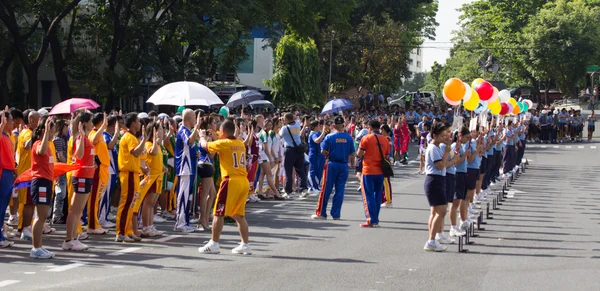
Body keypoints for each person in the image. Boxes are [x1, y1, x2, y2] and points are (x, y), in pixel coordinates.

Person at [198, 119, 252, 255]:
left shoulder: (223, 143)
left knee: (218, 212)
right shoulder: (239, 143)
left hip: (230, 180)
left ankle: (214, 243)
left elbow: (205, 145)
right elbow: (226, 145)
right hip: (243, 181)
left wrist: (202, 136)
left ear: (222, 132)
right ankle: (245, 244)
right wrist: (216, 137)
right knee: (239, 215)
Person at [311, 116, 355, 220]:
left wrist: (328, 153)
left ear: (334, 125)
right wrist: (352, 164)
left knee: (326, 189)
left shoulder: (329, 137)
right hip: (343, 165)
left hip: (332, 164)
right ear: (343, 125)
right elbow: (352, 153)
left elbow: (323, 151)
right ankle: (336, 214)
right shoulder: (349, 137)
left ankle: (321, 212)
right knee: (340, 190)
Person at [63, 112, 95, 251]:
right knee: (75, 209)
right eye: (91, 121)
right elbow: (79, 155)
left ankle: (74, 238)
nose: (93, 123)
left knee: (79, 209)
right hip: (81, 175)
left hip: (87, 175)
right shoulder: (78, 138)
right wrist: (81, 136)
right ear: (84, 123)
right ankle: (69, 240)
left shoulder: (86, 138)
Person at [115, 113, 146, 243]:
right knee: (126, 203)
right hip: (128, 174)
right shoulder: (129, 137)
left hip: (132, 173)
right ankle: (121, 232)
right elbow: (136, 152)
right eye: (138, 121)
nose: (139, 124)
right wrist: (144, 140)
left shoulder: (131, 136)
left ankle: (128, 230)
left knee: (131, 203)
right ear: (133, 123)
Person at [29, 116, 56, 258]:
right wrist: (46, 132)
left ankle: (39, 246)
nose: (53, 133)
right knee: (40, 217)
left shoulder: (48, 144)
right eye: (52, 130)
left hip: (46, 182)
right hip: (40, 182)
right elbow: (41, 151)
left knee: (43, 216)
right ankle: (35, 248)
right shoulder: (38, 143)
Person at [357, 120, 390, 228]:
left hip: (368, 170)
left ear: (370, 127)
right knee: (377, 195)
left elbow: (359, 154)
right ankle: (375, 218)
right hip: (380, 171)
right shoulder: (385, 140)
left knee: (368, 195)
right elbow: (386, 155)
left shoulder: (366, 138)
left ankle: (371, 219)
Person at [423, 122, 451, 252]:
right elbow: (441, 165)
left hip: (437, 179)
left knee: (435, 212)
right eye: (442, 135)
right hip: (435, 179)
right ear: (434, 135)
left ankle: (433, 238)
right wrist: (446, 153)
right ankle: (431, 240)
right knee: (441, 211)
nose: (444, 137)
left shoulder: (437, 146)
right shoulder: (433, 148)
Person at [174, 109, 202, 233]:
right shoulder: (183, 130)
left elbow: (189, 146)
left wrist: (194, 153)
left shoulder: (188, 131)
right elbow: (189, 141)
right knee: (183, 195)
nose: (195, 119)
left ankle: (185, 221)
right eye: (194, 117)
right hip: (184, 168)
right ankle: (180, 223)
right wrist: (196, 128)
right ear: (188, 119)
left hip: (189, 167)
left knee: (188, 195)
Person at [16, 111, 40, 240]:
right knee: (27, 203)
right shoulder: (27, 133)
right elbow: (26, 145)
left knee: (30, 202)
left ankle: (27, 227)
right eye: (39, 120)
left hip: (32, 173)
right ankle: (25, 228)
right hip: (27, 173)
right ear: (31, 120)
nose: (41, 123)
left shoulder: (31, 133)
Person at [87, 113, 110, 235]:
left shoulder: (100, 134)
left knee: (97, 198)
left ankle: (95, 223)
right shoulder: (94, 133)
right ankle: (92, 225)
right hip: (97, 170)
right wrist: (102, 127)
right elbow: (93, 140)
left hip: (103, 169)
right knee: (94, 198)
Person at [279, 113, 308, 195]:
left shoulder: (285, 128)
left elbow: (279, 136)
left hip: (290, 150)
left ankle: (289, 190)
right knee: (300, 169)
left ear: (287, 120)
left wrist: (282, 124)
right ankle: (303, 188)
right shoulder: (297, 124)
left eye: (284, 118)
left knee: (288, 170)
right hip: (299, 149)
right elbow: (296, 118)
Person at [99, 115, 120, 228]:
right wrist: (116, 133)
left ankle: (104, 216)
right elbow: (110, 146)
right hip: (107, 169)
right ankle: (102, 218)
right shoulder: (105, 135)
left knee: (108, 195)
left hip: (112, 170)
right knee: (105, 195)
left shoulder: (109, 136)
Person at [0, 108, 15, 248]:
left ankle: (1, 234)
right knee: (0, 205)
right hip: (3, 173)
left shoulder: (7, 136)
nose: (13, 123)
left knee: (3, 206)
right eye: (10, 120)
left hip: (9, 172)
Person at [51, 120, 68, 224]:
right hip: (60, 168)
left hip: (63, 168)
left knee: (62, 193)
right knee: (60, 193)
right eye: (65, 127)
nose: (67, 130)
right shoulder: (57, 139)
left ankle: (58, 214)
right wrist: (69, 164)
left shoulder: (63, 139)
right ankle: (56, 215)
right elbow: (60, 156)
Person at [307, 120, 327, 194]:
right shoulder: (312, 134)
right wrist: (323, 132)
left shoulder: (317, 133)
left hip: (318, 154)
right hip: (313, 154)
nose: (320, 126)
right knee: (313, 170)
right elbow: (317, 141)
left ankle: (316, 185)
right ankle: (311, 187)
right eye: (318, 125)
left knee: (319, 170)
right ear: (315, 127)